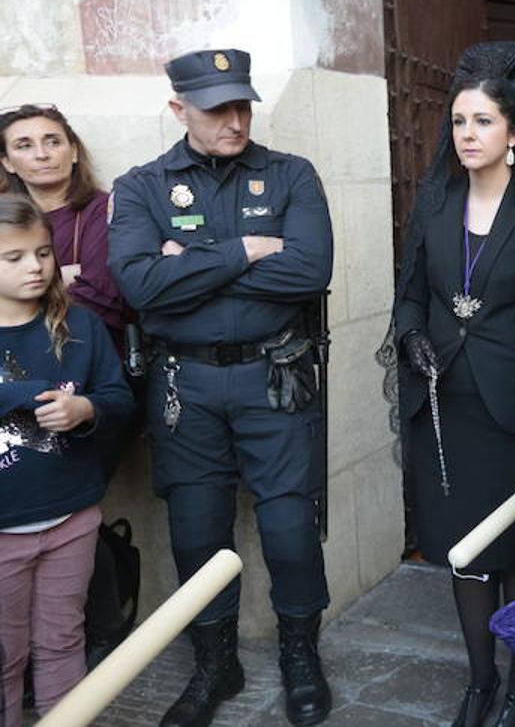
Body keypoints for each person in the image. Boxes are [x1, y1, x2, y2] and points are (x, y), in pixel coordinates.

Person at [107, 48, 334, 727]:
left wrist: (190, 266)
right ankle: (216, 663)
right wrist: (245, 250)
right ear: (180, 109)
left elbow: (309, 272)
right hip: (186, 384)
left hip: (275, 376)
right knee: (197, 527)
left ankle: (301, 654)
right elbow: (141, 287)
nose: (236, 120)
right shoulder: (143, 185)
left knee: (291, 524)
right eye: (217, 109)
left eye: (243, 105)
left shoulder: (291, 175)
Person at [392, 41, 515, 727]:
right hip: (443, 408)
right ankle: (480, 680)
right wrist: (412, 337)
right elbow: (411, 292)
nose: (467, 135)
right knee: (463, 553)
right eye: (459, 121)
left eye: (483, 122)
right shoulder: (436, 202)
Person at [0, 194, 134, 727]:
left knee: (61, 642)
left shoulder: (79, 326)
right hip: (2, 531)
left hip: (72, 519)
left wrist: (85, 408)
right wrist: (23, 396)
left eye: (42, 253)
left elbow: (120, 399)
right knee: (3, 657)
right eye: (13, 258)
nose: (34, 267)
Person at [0, 105, 133, 348]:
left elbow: (102, 299)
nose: (42, 154)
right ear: (7, 162)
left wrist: (17, 291)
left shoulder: (107, 210)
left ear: (73, 152)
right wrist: (66, 276)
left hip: (87, 352)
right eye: (24, 145)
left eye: (52, 142)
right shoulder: (4, 218)